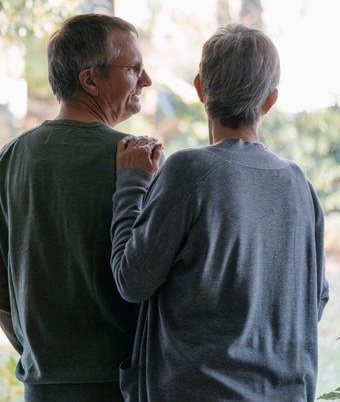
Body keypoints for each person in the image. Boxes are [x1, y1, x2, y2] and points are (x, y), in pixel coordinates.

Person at [111, 24, 330, 401]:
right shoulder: (300, 185)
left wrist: (131, 181)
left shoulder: (189, 171)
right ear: (270, 100)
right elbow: (316, 301)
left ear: (200, 88)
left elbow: (132, 281)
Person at [0, 13, 153, 402]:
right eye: (135, 69)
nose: (146, 80)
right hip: (121, 387)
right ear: (90, 79)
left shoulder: (12, 158)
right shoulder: (138, 161)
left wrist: (37, 350)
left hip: (41, 387)